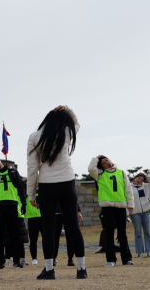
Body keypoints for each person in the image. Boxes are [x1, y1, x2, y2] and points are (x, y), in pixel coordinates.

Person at [27, 105, 86, 280]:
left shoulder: (34, 136)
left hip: (46, 185)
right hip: (67, 182)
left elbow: (32, 168)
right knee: (73, 227)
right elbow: (77, 123)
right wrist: (67, 109)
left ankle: (49, 269)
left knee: (49, 229)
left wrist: (30, 194)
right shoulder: (67, 132)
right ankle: (81, 269)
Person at [88, 155, 134, 267]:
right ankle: (111, 259)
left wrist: (130, 204)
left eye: (107, 160)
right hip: (107, 206)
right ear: (101, 166)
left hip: (121, 206)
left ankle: (127, 259)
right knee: (109, 233)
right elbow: (91, 169)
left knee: (122, 233)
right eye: (104, 162)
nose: (107, 162)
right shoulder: (99, 174)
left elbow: (128, 189)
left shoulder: (121, 172)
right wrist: (96, 158)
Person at [130, 172, 150, 258]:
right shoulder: (129, 187)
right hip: (135, 213)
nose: (139, 180)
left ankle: (149, 251)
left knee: (147, 232)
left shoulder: (146, 186)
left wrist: (147, 176)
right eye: (138, 178)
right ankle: (140, 252)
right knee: (138, 232)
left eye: (142, 180)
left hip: (146, 212)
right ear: (135, 178)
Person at [53, 201, 83, 266]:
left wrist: (78, 211)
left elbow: (74, 196)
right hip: (56, 212)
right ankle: (53, 257)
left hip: (68, 211)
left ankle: (70, 258)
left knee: (70, 236)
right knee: (55, 236)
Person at [26, 188, 43, 265]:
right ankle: (34, 258)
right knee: (33, 240)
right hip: (32, 218)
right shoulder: (27, 192)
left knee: (46, 239)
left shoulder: (43, 190)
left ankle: (50, 257)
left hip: (43, 217)